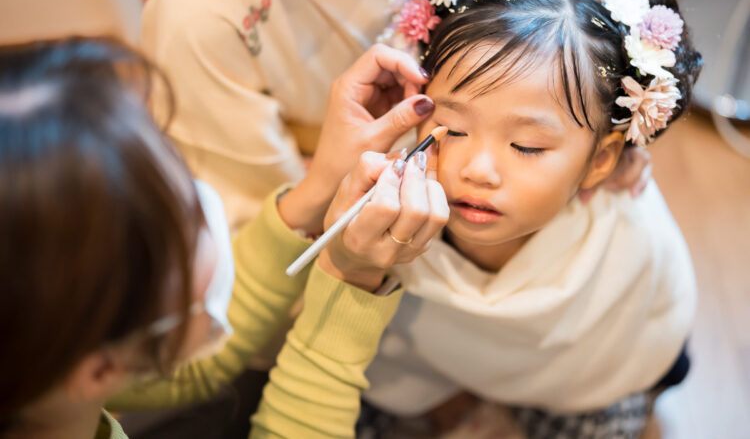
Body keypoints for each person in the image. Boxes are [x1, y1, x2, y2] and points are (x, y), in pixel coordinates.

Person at [0, 38, 448, 439]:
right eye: (188, 217)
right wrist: (350, 278)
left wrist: (318, 189)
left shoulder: (39, 379)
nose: (205, 199)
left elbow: (185, 369)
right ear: (99, 370)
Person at [357, 0, 703, 438]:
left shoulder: (625, 239)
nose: (478, 171)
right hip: (430, 375)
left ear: (600, 160)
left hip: (582, 387)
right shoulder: (392, 203)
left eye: (526, 146)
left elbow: (642, 330)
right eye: (454, 129)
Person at [140, 0, 644, 231]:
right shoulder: (201, 9)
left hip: (554, 183)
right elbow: (250, 220)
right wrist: (331, 185)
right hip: (365, 222)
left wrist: (597, 117)